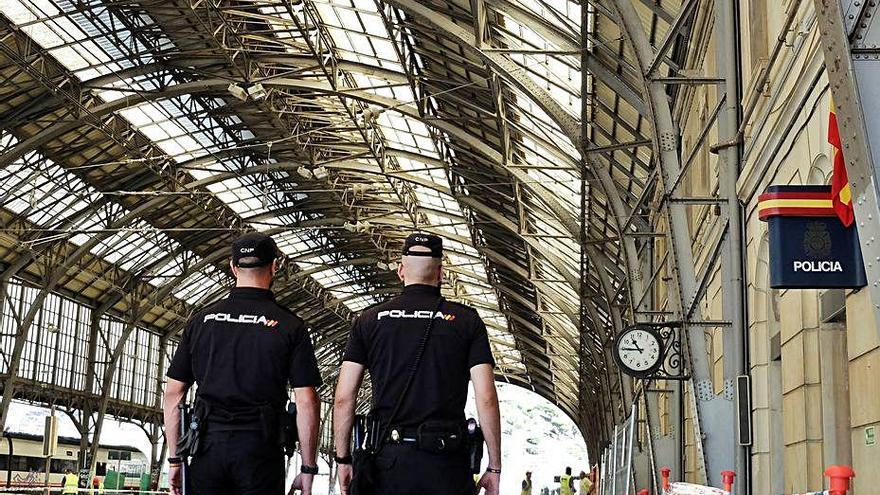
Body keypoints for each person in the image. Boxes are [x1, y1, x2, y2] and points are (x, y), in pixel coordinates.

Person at [332, 233, 502, 495]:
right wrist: (494, 467)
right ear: (441, 273)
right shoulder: (467, 321)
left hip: (387, 465)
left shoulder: (368, 321)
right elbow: (487, 397)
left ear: (401, 270)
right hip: (446, 467)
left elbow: (344, 397)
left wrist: (343, 460)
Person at [163, 232, 323, 495]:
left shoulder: (201, 321)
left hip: (207, 449)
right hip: (260, 451)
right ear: (275, 266)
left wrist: (175, 459)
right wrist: (307, 469)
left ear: (233, 267)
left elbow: (173, 394)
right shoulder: (290, 325)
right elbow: (306, 401)